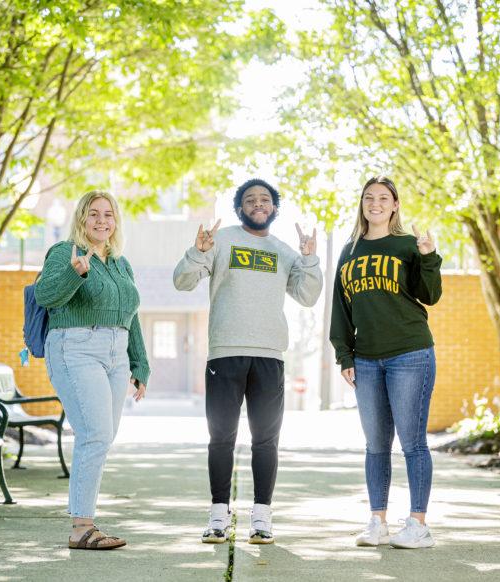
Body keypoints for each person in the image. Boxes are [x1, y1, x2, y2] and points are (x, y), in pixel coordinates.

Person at [173, 178, 323, 544]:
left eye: (265, 200)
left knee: (266, 440)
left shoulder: (285, 251)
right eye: (251, 200)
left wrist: (309, 259)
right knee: (221, 437)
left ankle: (262, 518)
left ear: (274, 208)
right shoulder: (220, 241)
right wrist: (197, 252)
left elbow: (307, 296)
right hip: (225, 353)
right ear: (240, 208)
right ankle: (218, 516)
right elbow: (182, 281)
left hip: (269, 356)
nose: (259, 204)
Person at [330, 176, 442, 549]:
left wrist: (427, 257)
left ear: (394, 205)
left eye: (383, 198)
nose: (375, 203)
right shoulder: (349, 251)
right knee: (376, 445)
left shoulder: (409, 245)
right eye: (368, 197)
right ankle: (377, 522)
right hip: (366, 360)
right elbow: (340, 311)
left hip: (410, 353)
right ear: (362, 204)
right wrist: (344, 354)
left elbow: (431, 295)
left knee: (412, 443)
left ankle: (418, 524)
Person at [35, 190, 149, 550]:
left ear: (116, 222)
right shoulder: (63, 252)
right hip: (76, 347)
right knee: (95, 434)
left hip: (115, 354)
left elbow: (131, 316)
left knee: (103, 435)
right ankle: (81, 526)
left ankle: (84, 522)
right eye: (94, 214)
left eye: (109, 214)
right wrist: (74, 274)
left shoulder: (120, 263)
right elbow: (45, 295)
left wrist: (139, 364)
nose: (102, 220)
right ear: (81, 219)